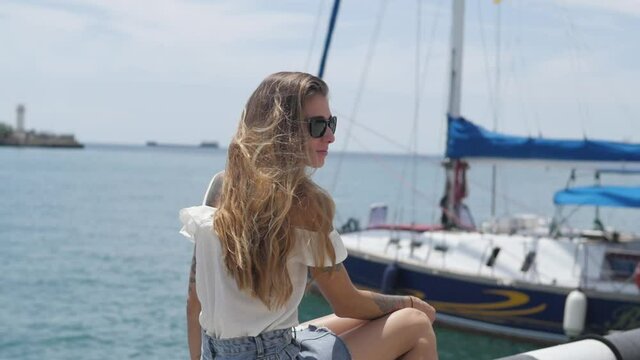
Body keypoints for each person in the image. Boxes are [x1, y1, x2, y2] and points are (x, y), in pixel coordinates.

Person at [180, 72, 437, 360]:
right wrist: (410, 302)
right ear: (282, 130)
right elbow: (347, 303)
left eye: (331, 123)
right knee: (414, 323)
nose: (331, 136)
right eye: (318, 126)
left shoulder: (221, 187)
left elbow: (194, 304)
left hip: (218, 354)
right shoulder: (305, 203)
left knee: (340, 325)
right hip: (273, 354)